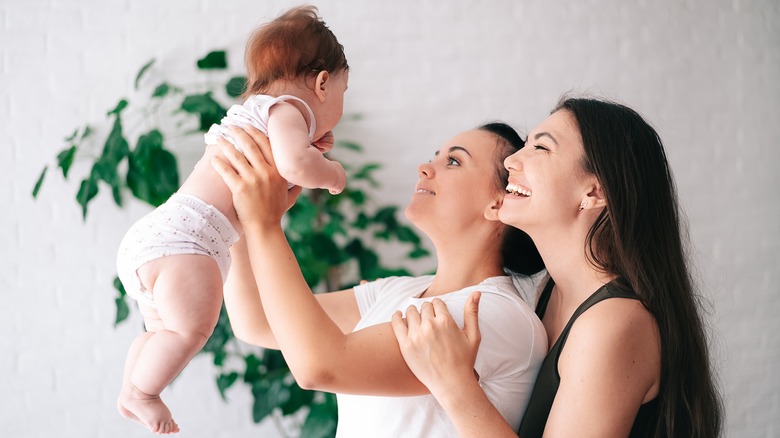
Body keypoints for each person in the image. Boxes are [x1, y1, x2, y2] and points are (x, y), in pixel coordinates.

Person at [391, 96, 724, 437]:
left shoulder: (613, 323)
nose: (512, 162)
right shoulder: (547, 295)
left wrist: (454, 384)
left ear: (594, 192)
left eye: (540, 148)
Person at [210, 122, 548, 437]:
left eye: (454, 162)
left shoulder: (492, 314)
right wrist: (236, 213)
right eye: (436, 156)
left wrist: (264, 224)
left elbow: (320, 366)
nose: (425, 168)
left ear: (498, 203)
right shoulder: (401, 290)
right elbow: (257, 322)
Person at [114, 6, 348, 434]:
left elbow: (284, 156)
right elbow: (295, 166)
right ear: (323, 83)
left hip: (157, 237)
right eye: (343, 93)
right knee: (192, 330)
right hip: (186, 245)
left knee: (161, 333)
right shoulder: (286, 109)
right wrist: (331, 173)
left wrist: (309, 145)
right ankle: (141, 393)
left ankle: (133, 386)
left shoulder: (258, 110)